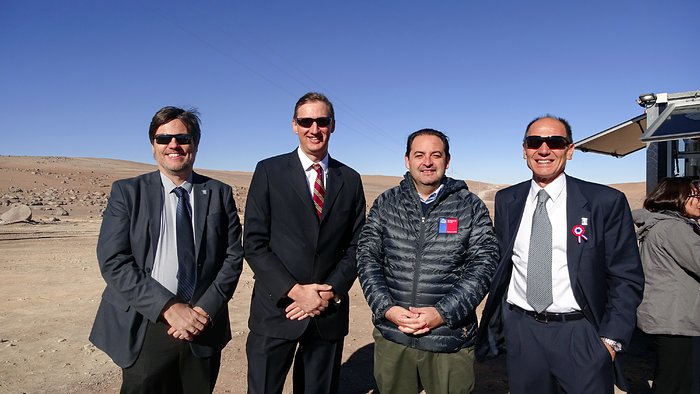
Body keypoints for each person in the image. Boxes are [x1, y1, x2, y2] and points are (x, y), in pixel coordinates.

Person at [475, 115, 644, 393]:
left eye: (555, 142)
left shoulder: (604, 202)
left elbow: (626, 277)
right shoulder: (508, 201)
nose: (544, 150)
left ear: (570, 149)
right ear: (524, 150)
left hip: (580, 334)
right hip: (523, 331)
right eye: (534, 142)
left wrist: (610, 341)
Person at [89, 106, 244, 393]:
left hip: (202, 324)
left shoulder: (220, 193)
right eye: (163, 139)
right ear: (153, 146)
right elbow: (113, 260)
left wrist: (203, 311)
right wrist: (169, 308)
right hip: (146, 321)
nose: (173, 145)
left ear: (194, 144)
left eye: (183, 138)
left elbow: (232, 257)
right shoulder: (128, 192)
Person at [356, 129, 499, 393]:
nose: (427, 162)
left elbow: (484, 264)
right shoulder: (387, 203)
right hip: (394, 336)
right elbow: (367, 257)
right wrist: (386, 308)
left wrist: (442, 313)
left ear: (447, 160)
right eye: (419, 154)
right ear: (407, 159)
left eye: (436, 155)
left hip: (449, 340)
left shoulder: (469, 206)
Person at [243, 92, 366, 394]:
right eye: (306, 121)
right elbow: (254, 243)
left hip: (327, 312)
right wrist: (296, 292)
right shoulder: (269, 171)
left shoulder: (349, 179)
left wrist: (329, 291)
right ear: (294, 125)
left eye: (321, 121)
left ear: (332, 125)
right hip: (278, 309)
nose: (314, 128)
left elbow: (357, 245)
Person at [632, 177, 700, 394]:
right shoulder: (674, 228)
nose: (699, 200)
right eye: (695, 195)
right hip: (676, 316)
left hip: (667, 313)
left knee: (673, 376)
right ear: (675, 197)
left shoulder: (660, 223)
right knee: (675, 380)